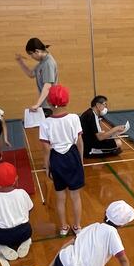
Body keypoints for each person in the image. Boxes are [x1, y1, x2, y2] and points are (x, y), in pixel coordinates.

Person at [18, 200, 134, 266]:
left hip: (61, 263)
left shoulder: (92, 227)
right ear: (123, 224)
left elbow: (66, 245)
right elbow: (123, 261)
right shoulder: (112, 234)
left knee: (68, 255)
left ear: (105, 213)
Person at [39, 84, 84, 237]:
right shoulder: (74, 118)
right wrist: (80, 161)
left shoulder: (45, 123)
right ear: (67, 100)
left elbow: (46, 149)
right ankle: (77, 226)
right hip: (72, 157)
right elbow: (79, 142)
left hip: (56, 159)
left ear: (49, 102)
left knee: (60, 197)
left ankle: (63, 227)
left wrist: (47, 167)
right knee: (75, 196)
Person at [0, 162, 34, 261]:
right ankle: (26, 241)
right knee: (26, 231)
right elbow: (29, 210)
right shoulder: (22, 193)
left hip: (5, 236)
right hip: (25, 231)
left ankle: (2, 246)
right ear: (16, 179)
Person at [15, 37, 58, 117]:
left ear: (37, 51)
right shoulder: (42, 62)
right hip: (45, 104)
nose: (31, 57)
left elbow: (47, 85)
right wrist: (20, 62)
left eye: (31, 54)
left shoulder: (48, 63)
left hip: (50, 105)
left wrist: (37, 104)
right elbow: (31, 74)